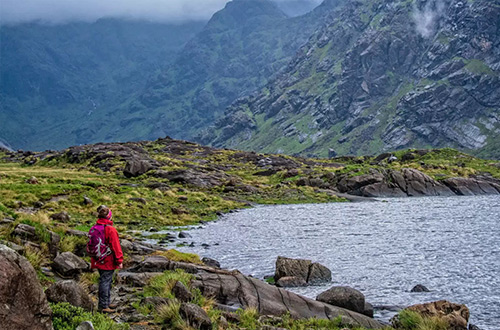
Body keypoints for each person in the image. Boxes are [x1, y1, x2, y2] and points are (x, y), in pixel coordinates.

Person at [90, 205, 123, 313]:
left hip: (97, 259)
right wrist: (119, 261)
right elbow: (116, 246)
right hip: (108, 260)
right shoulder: (110, 229)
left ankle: (106, 302)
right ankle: (104, 306)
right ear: (109, 216)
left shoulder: (95, 228)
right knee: (105, 281)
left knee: (105, 280)